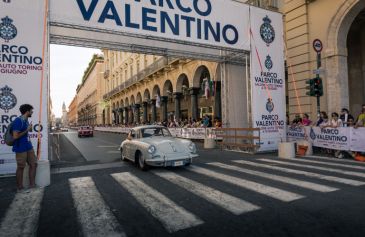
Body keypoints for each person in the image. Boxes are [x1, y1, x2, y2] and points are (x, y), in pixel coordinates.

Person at [12, 104, 37, 191]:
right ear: (27, 112)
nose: (32, 112)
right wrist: (27, 130)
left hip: (28, 146)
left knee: (33, 164)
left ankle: (32, 185)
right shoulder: (18, 121)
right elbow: (15, 136)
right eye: (31, 111)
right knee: (21, 167)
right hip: (20, 148)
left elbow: (26, 132)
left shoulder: (26, 120)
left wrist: (29, 129)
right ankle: (20, 187)